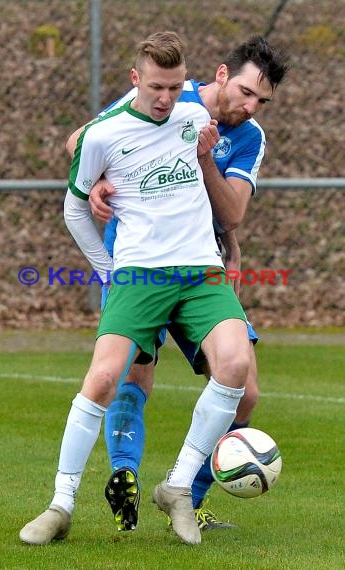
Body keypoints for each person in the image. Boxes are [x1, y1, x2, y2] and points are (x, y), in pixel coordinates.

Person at [19, 30, 250, 547]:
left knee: (235, 366)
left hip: (199, 271)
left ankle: (177, 487)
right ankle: (60, 504)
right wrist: (107, 269)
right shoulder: (104, 134)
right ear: (135, 81)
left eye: (173, 87)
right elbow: (73, 207)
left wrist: (227, 240)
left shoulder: (195, 120)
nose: (164, 98)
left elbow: (218, 192)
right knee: (102, 378)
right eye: (154, 88)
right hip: (138, 274)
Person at [65, 36, 289, 532]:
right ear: (223, 74)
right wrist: (99, 179)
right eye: (247, 92)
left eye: (262, 101)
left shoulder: (248, 136)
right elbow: (83, 138)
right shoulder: (170, 93)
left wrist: (207, 160)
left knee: (244, 388)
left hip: (198, 265)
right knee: (132, 374)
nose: (250, 107)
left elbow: (232, 214)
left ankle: (188, 496)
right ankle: (123, 475)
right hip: (139, 260)